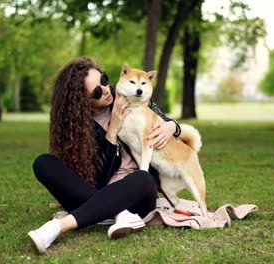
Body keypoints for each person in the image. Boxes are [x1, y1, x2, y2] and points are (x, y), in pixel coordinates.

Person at [28, 57, 181, 254]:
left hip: (137, 194)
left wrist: (172, 126)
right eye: (97, 92)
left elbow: (163, 119)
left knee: (143, 178)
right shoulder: (77, 127)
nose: (106, 89)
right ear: (82, 101)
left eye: (104, 80)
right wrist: (112, 130)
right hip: (97, 192)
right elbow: (97, 180)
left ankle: (60, 226)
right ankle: (117, 213)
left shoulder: (128, 91)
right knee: (43, 163)